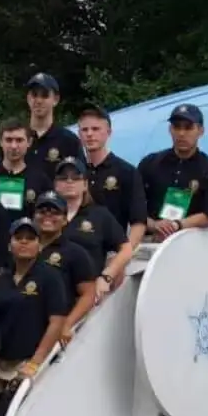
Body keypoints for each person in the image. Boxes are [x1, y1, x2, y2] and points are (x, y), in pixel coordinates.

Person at [0, 218, 75, 402]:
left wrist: (35, 362)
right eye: (18, 237)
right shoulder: (1, 279)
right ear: (9, 245)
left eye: (30, 238)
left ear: (39, 246)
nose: (23, 242)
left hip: (30, 362)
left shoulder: (51, 277)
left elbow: (57, 321)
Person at [77, 102, 148, 286]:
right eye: (84, 130)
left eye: (95, 129)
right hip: (76, 256)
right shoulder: (72, 173)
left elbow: (138, 224)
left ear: (108, 132)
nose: (90, 134)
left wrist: (119, 261)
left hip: (110, 259)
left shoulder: (126, 172)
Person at [138, 103, 208, 239]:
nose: (181, 133)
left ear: (201, 131)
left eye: (188, 127)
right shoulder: (150, 163)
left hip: (189, 243)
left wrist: (177, 225)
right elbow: (132, 205)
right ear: (170, 130)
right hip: (150, 241)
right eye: (176, 127)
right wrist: (154, 225)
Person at [54, 157, 126, 294]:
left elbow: (126, 249)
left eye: (76, 178)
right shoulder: (45, 215)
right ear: (56, 185)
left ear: (85, 184)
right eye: (63, 178)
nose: (69, 181)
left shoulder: (100, 215)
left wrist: (107, 276)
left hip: (87, 295)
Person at [30, 193, 101, 328]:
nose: (48, 216)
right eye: (42, 211)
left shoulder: (76, 253)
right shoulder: (22, 249)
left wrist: (67, 324)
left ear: (65, 219)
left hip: (54, 330)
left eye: (55, 212)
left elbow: (88, 294)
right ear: (34, 216)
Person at [0, 119, 48, 247]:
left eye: (19, 140)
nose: (14, 146)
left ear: (29, 142)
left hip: (26, 248)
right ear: (0, 141)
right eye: (9, 140)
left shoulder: (40, 180)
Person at [22, 72, 84, 179]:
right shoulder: (15, 139)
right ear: (28, 98)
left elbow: (80, 182)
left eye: (45, 95)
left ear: (56, 99)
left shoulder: (69, 141)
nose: (38, 100)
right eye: (34, 95)